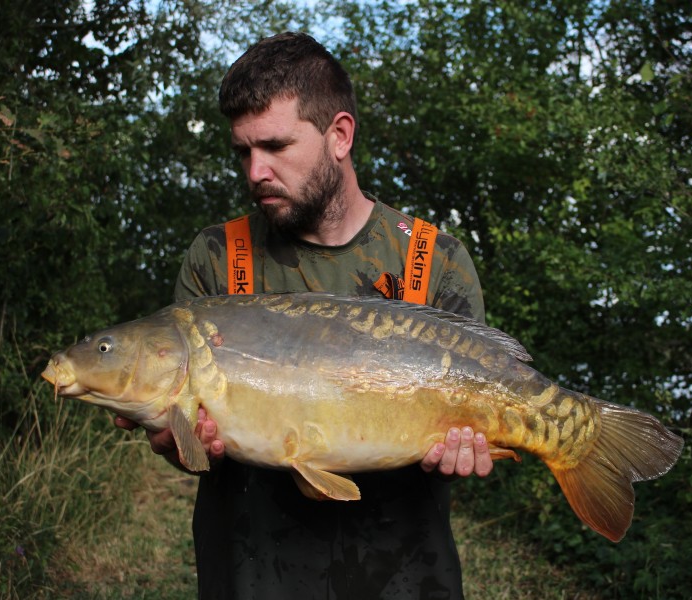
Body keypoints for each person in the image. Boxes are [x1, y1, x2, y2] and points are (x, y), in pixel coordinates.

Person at [117, 32, 495, 599]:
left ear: (339, 135)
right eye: (243, 151)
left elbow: (475, 425)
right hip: (253, 571)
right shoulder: (217, 258)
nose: (255, 172)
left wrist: (463, 452)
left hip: (405, 573)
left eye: (274, 145)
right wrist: (179, 441)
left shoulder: (433, 260)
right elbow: (195, 455)